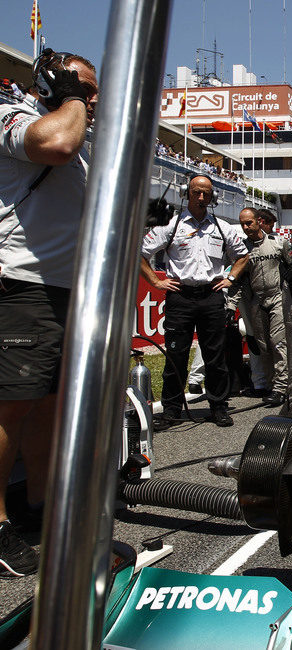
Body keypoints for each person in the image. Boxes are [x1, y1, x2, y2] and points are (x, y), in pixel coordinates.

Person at [0, 49, 98, 578]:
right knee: (9, 408)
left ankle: (37, 508)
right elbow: (55, 143)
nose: (95, 97)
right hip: (20, 285)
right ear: (54, 84)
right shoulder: (13, 116)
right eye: (86, 86)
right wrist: (72, 97)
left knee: (48, 407)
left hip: (66, 290)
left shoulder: (84, 136)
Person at [140, 174, 249, 427]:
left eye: (206, 193)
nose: (201, 197)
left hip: (211, 297)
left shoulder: (222, 227)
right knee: (175, 355)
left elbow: (242, 256)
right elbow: (141, 254)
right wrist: (156, 282)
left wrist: (230, 278)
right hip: (180, 298)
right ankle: (171, 410)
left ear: (213, 197)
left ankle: (218, 407)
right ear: (186, 193)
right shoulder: (170, 225)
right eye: (196, 192)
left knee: (215, 356)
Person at [228, 208, 292, 406]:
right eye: (243, 224)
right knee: (263, 346)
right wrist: (230, 306)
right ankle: (274, 385)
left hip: (278, 297)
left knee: (278, 341)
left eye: (249, 223)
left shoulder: (278, 243)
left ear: (258, 221)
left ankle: (282, 388)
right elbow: (236, 281)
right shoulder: (242, 251)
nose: (246, 227)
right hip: (256, 300)